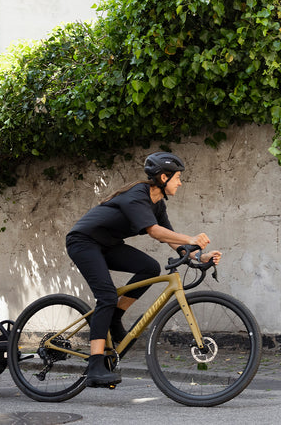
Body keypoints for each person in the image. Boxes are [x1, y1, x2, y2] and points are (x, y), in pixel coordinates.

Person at [66, 152, 222, 387]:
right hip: (83, 242)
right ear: (163, 177)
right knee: (106, 296)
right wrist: (191, 237)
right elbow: (154, 232)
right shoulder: (137, 196)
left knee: (150, 267)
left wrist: (201, 255)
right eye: (178, 177)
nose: (180, 182)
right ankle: (95, 366)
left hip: (108, 245)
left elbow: (172, 240)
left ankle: (115, 316)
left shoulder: (157, 203)